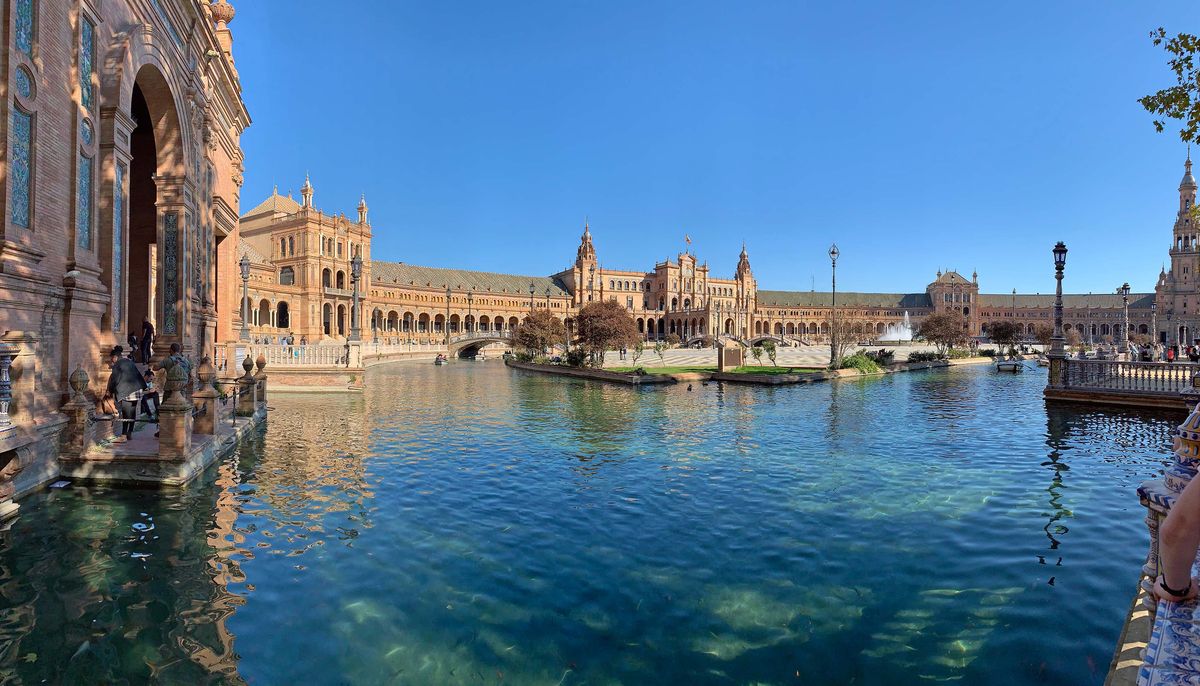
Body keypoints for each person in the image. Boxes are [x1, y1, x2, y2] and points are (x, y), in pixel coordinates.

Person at [104, 346, 146, 442]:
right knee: (132, 412)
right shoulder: (129, 361)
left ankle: (123, 435)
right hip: (136, 389)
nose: (111, 360)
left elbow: (114, 379)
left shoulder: (117, 365)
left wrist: (110, 390)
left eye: (111, 358)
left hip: (127, 391)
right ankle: (129, 433)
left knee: (126, 414)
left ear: (115, 357)